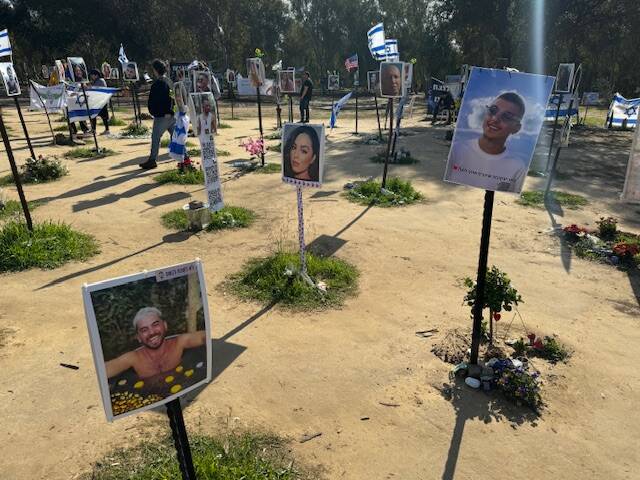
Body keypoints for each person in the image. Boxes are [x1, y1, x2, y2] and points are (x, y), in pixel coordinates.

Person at [446, 91, 528, 192]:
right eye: (493, 111)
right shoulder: (457, 150)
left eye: (506, 117)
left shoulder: (517, 167)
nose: (495, 119)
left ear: (516, 128)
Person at [105, 307, 206, 380]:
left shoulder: (179, 343)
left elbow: (203, 336)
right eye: (144, 330)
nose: (152, 332)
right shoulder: (133, 358)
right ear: (139, 337)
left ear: (165, 326)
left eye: (155, 325)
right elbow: (105, 370)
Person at [140, 59, 175, 170]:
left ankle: (152, 160)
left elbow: (160, 100)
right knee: (176, 138)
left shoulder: (159, 84)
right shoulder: (169, 81)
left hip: (162, 116)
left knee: (155, 138)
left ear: (155, 70)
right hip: (172, 115)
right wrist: (172, 111)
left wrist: (160, 112)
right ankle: (186, 159)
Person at [88, 69, 110, 135]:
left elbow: (94, 88)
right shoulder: (97, 81)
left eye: (92, 75)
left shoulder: (100, 80)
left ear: (96, 75)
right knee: (94, 116)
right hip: (98, 102)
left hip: (101, 102)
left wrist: (88, 86)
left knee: (103, 117)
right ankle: (94, 129)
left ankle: (106, 130)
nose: (91, 77)